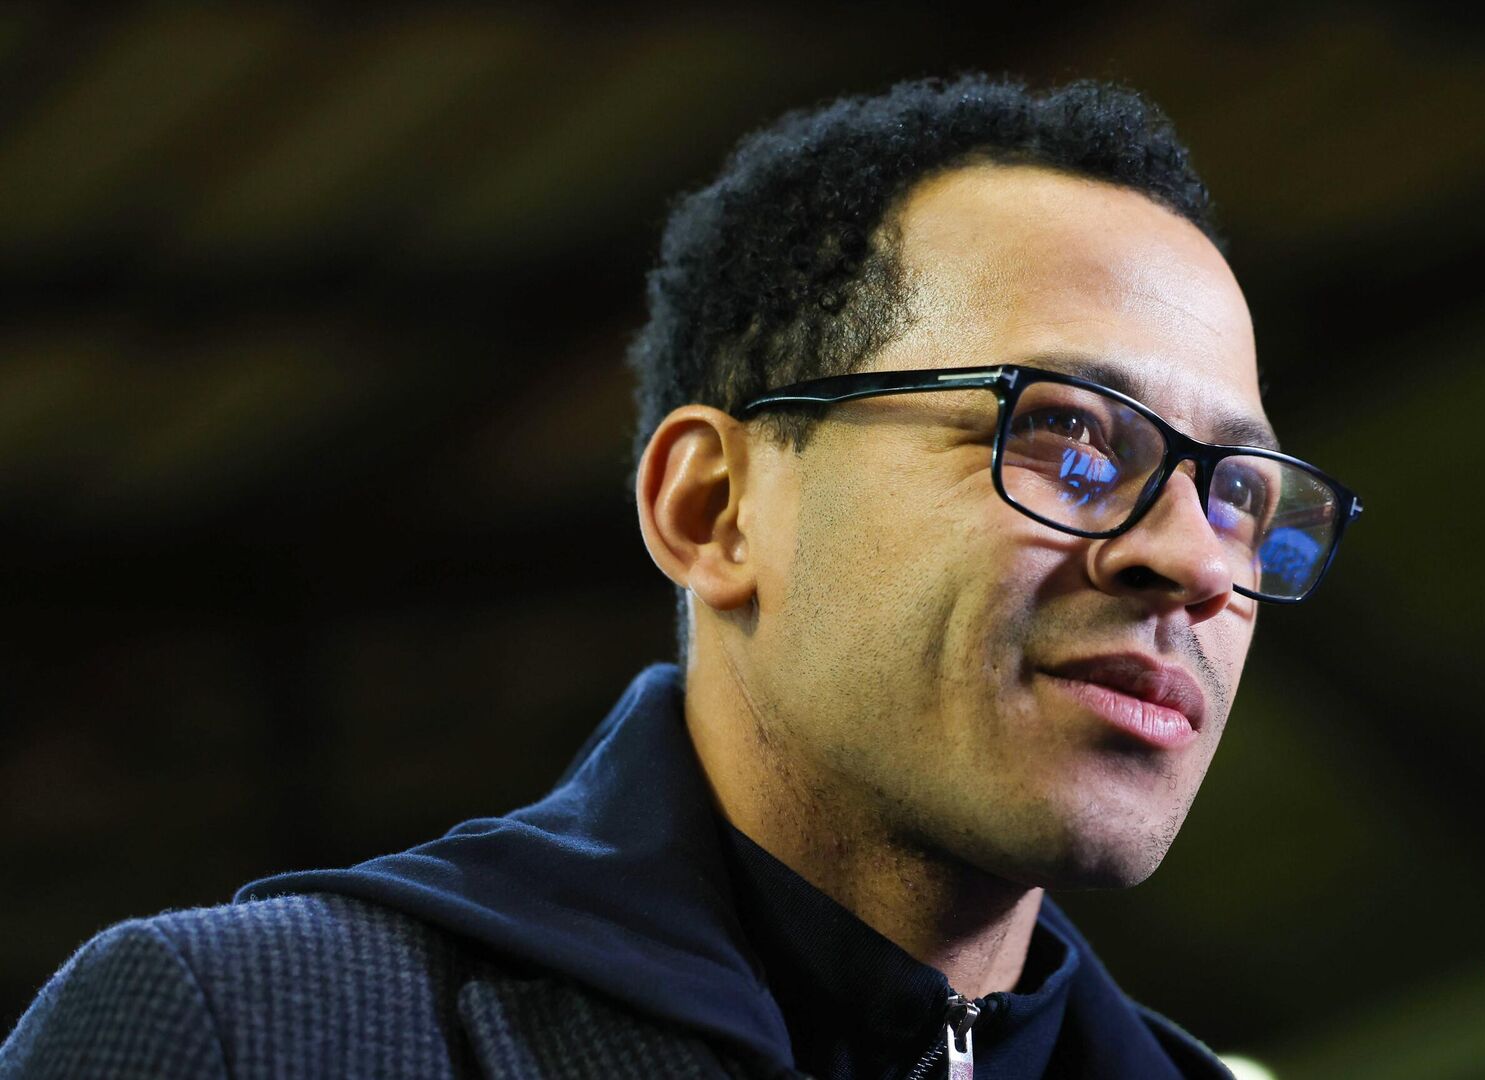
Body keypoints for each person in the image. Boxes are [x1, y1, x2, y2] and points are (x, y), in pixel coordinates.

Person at [0, 73, 1361, 1079]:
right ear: (713, 508)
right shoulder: (254, 1035)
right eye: (1067, 436)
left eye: (1241, 494)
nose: (1195, 560)